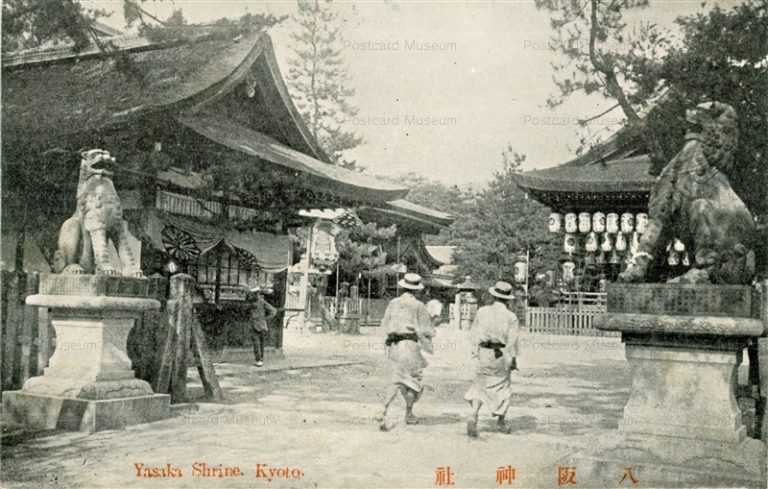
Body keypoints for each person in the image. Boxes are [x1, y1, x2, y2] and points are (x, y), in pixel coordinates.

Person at [464, 281, 521, 437]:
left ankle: (473, 414)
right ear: (508, 299)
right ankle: (501, 422)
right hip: (500, 354)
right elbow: (512, 341)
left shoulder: (482, 311)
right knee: (503, 387)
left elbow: (474, 333)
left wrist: (475, 352)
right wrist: (513, 359)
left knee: (480, 384)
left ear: (493, 295)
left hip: (484, 352)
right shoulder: (511, 317)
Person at [379, 273, 435, 431]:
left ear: (403, 287)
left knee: (395, 378)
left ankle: (383, 409)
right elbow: (426, 330)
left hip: (394, 346)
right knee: (411, 381)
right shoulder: (418, 306)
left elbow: (385, 323)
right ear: (417, 290)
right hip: (409, 345)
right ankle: (408, 413)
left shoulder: (393, 303)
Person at [249, 286, 277, 367]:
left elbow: (273, 311)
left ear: (257, 294)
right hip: (262, 325)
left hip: (256, 325)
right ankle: (260, 359)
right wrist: (265, 319)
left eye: (254, 294)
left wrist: (265, 318)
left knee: (257, 343)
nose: (253, 295)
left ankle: (258, 360)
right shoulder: (261, 302)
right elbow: (273, 311)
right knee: (261, 343)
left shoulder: (257, 302)